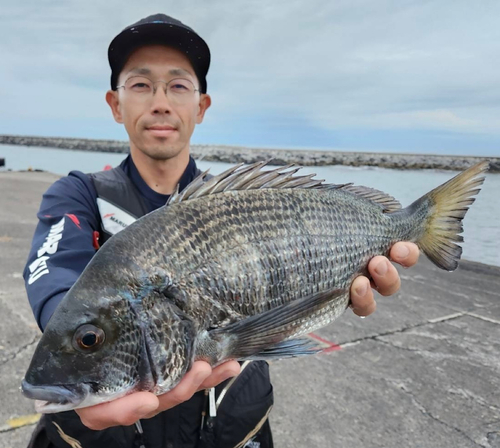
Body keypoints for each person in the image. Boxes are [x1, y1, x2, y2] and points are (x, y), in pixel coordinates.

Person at [23, 13, 420, 448]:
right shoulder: (79, 194)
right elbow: (54, 270)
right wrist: (80, 334)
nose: (160, 101)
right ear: (115, 104)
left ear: (202, 105)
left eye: (178, 85)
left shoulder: (241, 204)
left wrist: (344, 283)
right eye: (140, 84)